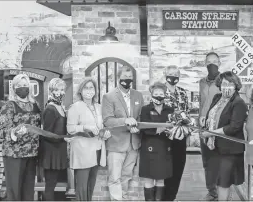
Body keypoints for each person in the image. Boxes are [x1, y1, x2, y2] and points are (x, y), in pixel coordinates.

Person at [200, 71, 248, 201]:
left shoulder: (239, 103)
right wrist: (205, 126)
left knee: (224, 182)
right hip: (215, 147)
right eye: (224, 83)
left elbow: (234, 127)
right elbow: (212, 116)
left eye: (230, 84)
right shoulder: (217, 97)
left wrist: (210, 133)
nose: (226, 86)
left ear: (236, 85)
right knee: (219, 180)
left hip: (230, 150)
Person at [102, 66, 144, 200]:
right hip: (116, 144)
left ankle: (124, 198)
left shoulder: (138, 95)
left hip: (133, 144)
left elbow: (140, 117)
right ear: (118, 78)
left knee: (127, 176)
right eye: (125, 78)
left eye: (130, 78)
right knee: (115, 178)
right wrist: (126, 120)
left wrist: (137, 126)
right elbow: (107, 120)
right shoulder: (108, 97)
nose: (127, 80)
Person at [0, 74, 41, 201]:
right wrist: (14, 132)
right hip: (14, 155)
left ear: (29, 87)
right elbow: (1, 130)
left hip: (31, 154)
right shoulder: (9, 105)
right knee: (15, 192)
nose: (23, 88)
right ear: (14, 88)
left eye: (25, 85)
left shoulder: (35, 105)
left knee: (28, 192)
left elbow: (39, 126)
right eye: (19, 86)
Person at [66, 78, 110, 201]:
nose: (89, 90)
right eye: (86, 88)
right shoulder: (75, 107)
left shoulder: (99, 107)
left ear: (95, 91)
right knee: (82, 187)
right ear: (81, 91)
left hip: (96, 150)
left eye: (91, 88)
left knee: (91, 185)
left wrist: (105, 134)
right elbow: (70, 129)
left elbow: (102, 126)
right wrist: (85, 127)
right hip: (82, 151)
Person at [139, 82, 175, 201]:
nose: (158, 95)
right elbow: (143, 128)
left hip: (165, 147)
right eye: (156, 93)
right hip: (149, 148)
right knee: (149, 179)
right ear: (151, 94)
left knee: (161, 179)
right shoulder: (145, 109)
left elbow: (173, 127)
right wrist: (160, 129)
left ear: (165, 94)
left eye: (161, 93)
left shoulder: (170, 109)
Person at [163, 65, 190, 201]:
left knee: (179, 165)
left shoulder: (183, 92)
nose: (173, 76)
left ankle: (172, 197)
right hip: (165, 136)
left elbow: (188, 113)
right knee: (165, 167)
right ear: (165, 74)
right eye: (170, 73)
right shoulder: (159, 91)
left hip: (181, 135)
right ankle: (163, 197)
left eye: (176, 74)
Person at [39, 78, 68, 201]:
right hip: (51, 153)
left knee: (54, 184)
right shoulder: (50, 109)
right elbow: (47, 134)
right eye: (57, 89)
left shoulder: (60, 106)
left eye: (62, 89)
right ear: (51, 91)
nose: (60, 92)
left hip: (59, 151)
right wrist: (64, 139)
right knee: (50, 186)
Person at [198, 52, 222, 201]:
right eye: (209, 62)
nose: (211, 64)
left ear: (219, 63)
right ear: (205, 63)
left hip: (218, 127)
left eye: (214, 61)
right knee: (207, 160)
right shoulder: (201, 82)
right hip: (203, 127)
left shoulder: (225, 81)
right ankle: (212, 192)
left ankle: (223, 192)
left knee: (220, 160)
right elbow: (202, 103)